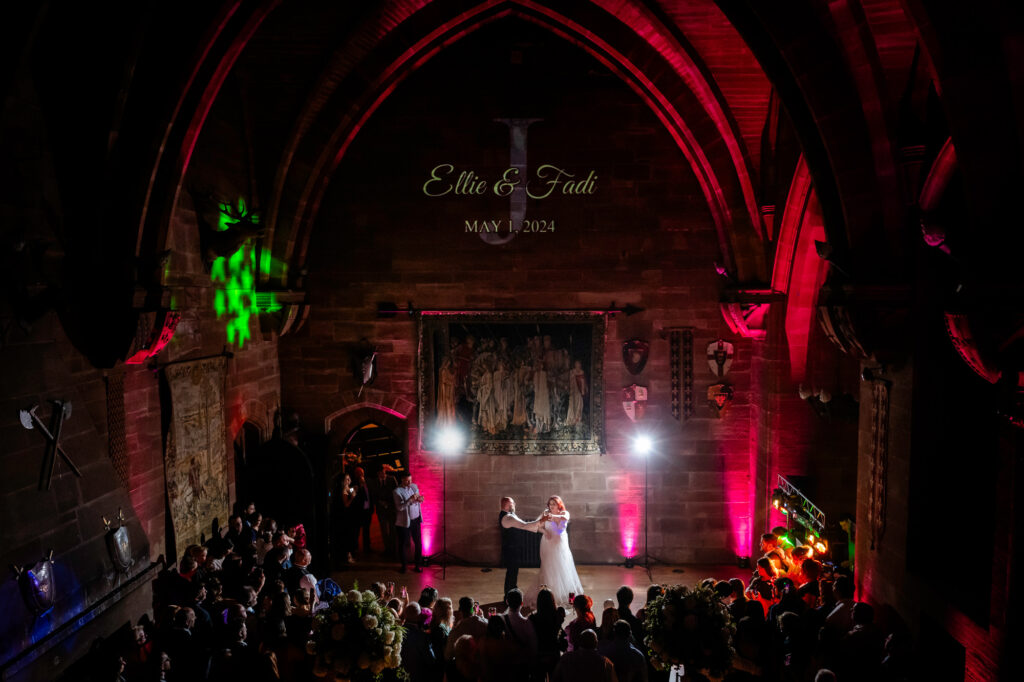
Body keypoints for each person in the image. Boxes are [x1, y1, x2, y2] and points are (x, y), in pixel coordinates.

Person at [526, 495, 584, 607]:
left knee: (561, 569)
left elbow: (559, 530)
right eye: (550, 504)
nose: (551, 506)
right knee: (547, 568)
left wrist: (551, 518)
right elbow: (537, 526)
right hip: (547, 544)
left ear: (559, 505)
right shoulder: (545, 513)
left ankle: (562, 596)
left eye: (554, 504)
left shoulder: (564, 514)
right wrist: (545, 532)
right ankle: (548, 596)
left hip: (559, 545)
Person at [499, 497, 543, 594]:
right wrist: (541, 520)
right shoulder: (507, 517)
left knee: (513, 573)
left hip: (512, 549)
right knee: (511, 573)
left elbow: (524, 526)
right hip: (511, 550)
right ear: (508, 504)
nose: (514, 504)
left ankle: (512, 594)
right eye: (513, 503)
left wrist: (540, 522)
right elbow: (524, 525)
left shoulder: (510, 515)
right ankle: (509, 597)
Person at [394, 472, 424, 573]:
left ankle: (418, 565)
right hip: (404, 522)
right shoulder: (397, 491)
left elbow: (418, 497)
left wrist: (420, 499)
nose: (409, 482)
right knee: (403, 544)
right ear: (402, 479)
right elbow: (399, 507)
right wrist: (410, 500)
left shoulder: (414, 486)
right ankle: (404, 566)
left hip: (416, 519)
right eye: (407, 480)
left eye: (410, 480)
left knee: (418, 543)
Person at [368, 465, 398, 557]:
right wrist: (380, 502)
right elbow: (373, 495)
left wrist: (389, 503)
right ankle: (387, 549)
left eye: (384, 472)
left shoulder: (392, 479)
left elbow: (396, 492)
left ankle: (393, 549)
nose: (383, 474)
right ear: (378, 474)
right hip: (381, 510)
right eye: (381, 473)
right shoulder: (374, 482)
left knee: (393, 529)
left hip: (391, 508)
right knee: (384, 530)